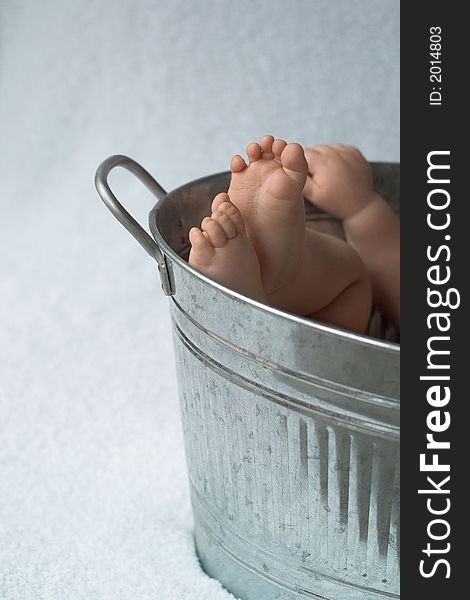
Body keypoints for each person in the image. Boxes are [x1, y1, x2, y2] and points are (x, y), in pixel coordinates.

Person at [188, 135, 399, 335]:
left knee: (354, 277)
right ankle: (281, 277)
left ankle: (264, 294)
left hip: (349, 365)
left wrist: (363, 208)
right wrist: (360, 207)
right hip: (335, 355)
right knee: (349, 283)